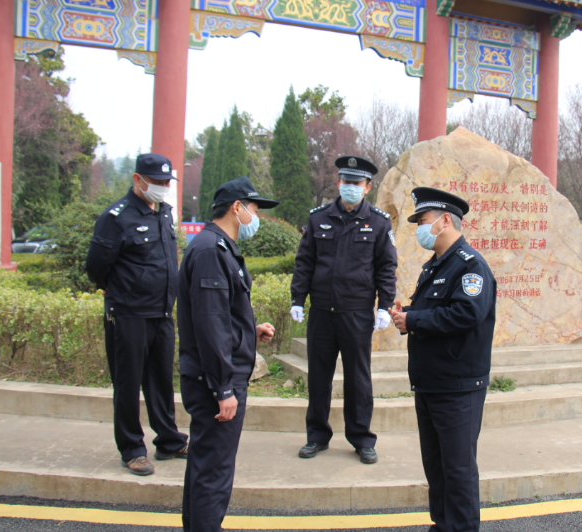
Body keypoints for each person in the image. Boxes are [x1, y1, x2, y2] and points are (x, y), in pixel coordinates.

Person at [390, 187, 496, 532]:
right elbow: (434, 312)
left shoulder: (470, 266)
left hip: (457, 387)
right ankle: (443, 525)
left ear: (445, 220)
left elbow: (467, 313)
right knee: (436, 468)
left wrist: (415, 320)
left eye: (423, 221)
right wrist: (407, 315)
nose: (420, 229)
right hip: (431, 383)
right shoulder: (435, 267)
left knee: (458, 470)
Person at [177, 176, 277, 531]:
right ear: (237, 208)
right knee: (214, 470)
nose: (256, 217)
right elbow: (210, 324)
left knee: (206, 463)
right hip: (216, 380)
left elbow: (219, 316)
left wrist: (250, 331)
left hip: (216, 374)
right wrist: (223, 388)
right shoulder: (210, 251)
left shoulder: (217, 247)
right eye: (254, 209)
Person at [290, 156, 398, 464]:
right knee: (318, 377)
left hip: (356, 313)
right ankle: (316, 436)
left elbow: (386, 267)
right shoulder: (318, 218)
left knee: (358, 379)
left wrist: (384, 306)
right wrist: (297, 299)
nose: (351, 187)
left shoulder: (379, 222)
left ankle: (362, 438)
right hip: (322, 312)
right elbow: (305, 262)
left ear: (368, 187)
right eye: (346, 182)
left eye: (357, 183)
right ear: (338, 183)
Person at [85, 153, 188, 476]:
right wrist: (120, 290)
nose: (162, 187)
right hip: (128, 314)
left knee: (161, 382)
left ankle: (169, 441)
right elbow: (96, 266)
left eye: (166, 182)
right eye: (156, 182)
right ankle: (131, 449)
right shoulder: (116, 217)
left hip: (161, 312)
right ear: (137, 180)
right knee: (128, 383)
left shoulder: (163, 213)